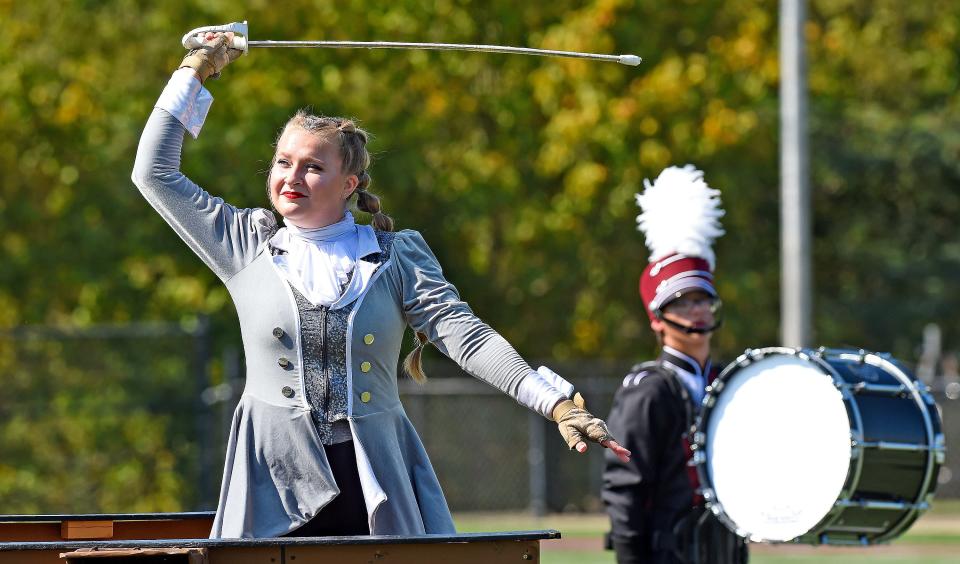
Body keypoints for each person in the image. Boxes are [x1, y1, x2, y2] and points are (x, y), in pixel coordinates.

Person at [132, 30, 630, 539]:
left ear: (349, 184)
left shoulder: (396, 256)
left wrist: (556, 402)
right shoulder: (243, 243)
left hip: (374, 485)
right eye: (283, 162)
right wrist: (195, 71)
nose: (291, 176)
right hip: (272, 482)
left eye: (313, 166)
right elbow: (153, 172)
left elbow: (469, 338)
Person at [602, 166, 748, 563]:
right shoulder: (649, 388)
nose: (696, 310)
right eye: (682, 302)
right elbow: (624, 486)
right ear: (656, 317)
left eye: (702, 299)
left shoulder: (728, 380)